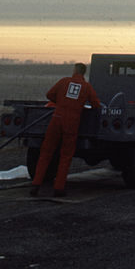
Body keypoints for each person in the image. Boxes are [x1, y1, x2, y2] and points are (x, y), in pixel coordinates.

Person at [29, 62, 101, 198]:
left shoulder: (63, 81)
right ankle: (59, 188)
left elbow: (49, 94)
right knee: (66, 155)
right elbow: (96, 105)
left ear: (74, 70)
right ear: (83, 72)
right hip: (72, 123)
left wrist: (61, 101)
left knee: (46, 152)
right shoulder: (86, 87)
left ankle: (36, 184)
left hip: (56, 118)